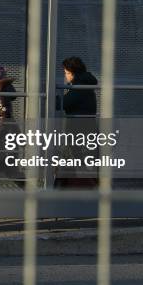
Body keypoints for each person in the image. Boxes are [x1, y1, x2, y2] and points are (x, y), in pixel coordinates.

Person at [55, 57, 99, 188]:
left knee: (75, 162)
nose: (65, 76)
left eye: (66, 73)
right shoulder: (84, 84)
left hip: (78, 130)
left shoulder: (79, 88)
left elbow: (62, 103)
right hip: (84, 128)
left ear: (72, 72)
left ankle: (63, 189)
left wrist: (54, 96)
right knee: (74, 163)